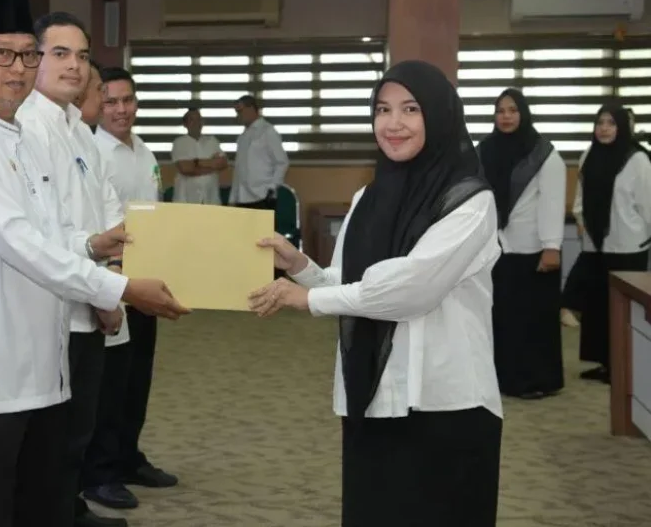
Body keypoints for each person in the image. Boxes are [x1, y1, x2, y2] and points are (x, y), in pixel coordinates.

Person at [0, 0, 188, 527]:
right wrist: (120, 290)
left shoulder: (25, 137)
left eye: (25, 55)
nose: (18, 69)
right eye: (4, 55)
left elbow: (60, 236)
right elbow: (23, 244)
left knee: (43, 504)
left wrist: (101, 258)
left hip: (47, 360)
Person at [249, 60, 503, 527]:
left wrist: (307, 299)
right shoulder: (370, 197)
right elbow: (352, 286)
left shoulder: (471, 201)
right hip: (376, 394)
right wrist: (300, 267)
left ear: (440, 115)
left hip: (446, 401)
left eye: (410, 109)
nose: (394, 123)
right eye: (382, 109)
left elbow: (411, 289)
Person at [16, 11, 129, 527]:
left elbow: (107, 208)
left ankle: (69, 507)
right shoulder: (25, 127)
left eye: (82, 56)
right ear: (33, 58)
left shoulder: (78, 129)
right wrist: (104, 284)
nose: (75, 66)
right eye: (60, 53)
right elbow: (40, 232)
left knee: (79, 424)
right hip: (52, 306)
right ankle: (52, 513)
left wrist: (109, 289)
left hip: (91, 297)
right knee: (51, 431)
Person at [83, 67, 178, 512]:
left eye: (128, 101)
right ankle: (100, 472)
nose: (122, 110)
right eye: (111, 102)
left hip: (147, 282)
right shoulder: (91, 153)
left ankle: (127, 456)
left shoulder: (144, 151)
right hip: (112, 280)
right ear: (97, 104)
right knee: (110, 383)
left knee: (138, 376)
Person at [478, 88, 566, 399]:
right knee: (501, 317)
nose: (506, 116)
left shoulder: (543, 154)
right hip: (494, 248)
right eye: (500, 110)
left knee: (532, 321)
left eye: (513, 110)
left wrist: (552, 246)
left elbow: (553, 203)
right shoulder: (485, 150)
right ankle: (502, 378)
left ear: (523, 113)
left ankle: (535, 380)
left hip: (534, 250)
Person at [564, 103, 651, 383]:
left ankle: (625, 367)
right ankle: (604, 362)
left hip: (627, 245)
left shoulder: (637, 159)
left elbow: (648, 204)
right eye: (600, 122)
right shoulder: (589, 155)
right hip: (595, 244)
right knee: (598, 307)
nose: (604, 128)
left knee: (625, 310)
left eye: (611, 123)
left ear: (622, 127)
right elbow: (580, 196)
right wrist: (581, 220)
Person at [228, 94, 288, 210]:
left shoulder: (268, 131)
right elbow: (239, 169)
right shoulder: (243, 136)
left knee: (262, 229)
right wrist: (232, 198)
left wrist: (272, 188)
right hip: (242, 197)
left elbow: (282, 162)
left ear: (251, 109)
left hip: (262, 196)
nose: (238, 115)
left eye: (240, 111)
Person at [170, 107, 227, 204]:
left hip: (210, 199)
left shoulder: (212, 141)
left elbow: (223, 163)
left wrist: (196, 163)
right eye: (192, 119)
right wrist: (212, 166)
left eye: (199, 119)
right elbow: (185, 169)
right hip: (186, 200)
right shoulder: (179, 143)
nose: (196, 122)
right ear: (185, 124)